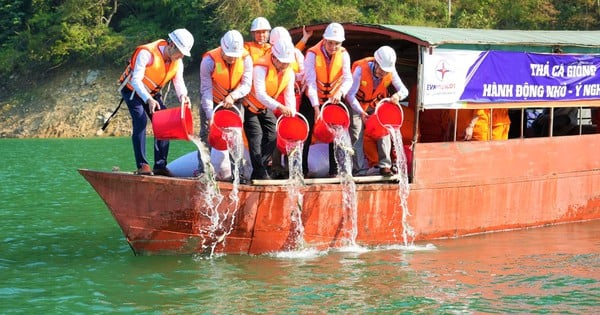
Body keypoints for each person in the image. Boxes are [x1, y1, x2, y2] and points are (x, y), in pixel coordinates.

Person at [119, 28, 194, 176]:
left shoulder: (177, 62)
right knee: (140, 120)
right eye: (180, 52)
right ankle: (142, 165)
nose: (180, 56)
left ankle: (160, 165)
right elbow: (136, 80)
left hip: (152, 93)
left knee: (165, 123)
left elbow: (178, 82)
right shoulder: (147, 53)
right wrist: (148, 99)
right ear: (171, 45)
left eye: (183, 54)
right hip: (133, 90)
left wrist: (183, 97)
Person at [345, 46, 409, 176]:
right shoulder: (360, 70)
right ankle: (359, 170)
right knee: (357, 134)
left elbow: (404, 90)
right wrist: (361, 112)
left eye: (386, 71)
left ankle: (385, 165)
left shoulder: (390, 71)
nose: (383, 73)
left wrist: (398, 96)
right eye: (381, 69)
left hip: (375, 104)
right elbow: (350, 95)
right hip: (357, 104)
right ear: (375, 62)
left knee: (384, 129)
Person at [301, 22, 354, 177]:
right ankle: (302, 171)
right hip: (312, 97)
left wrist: (340, 93)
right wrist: (316, 108)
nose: (333, 46)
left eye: (337, 43)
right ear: (324, 40)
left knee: (337, 131)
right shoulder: (312, 54)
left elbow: (348, 79)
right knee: (307, 131)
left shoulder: (344, 54)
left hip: (334, 98)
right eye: (330, 42)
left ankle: (335, 171)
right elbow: (310, 82)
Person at [198, 30, 253, 176]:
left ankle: (237, 172)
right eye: (230, 56)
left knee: (236, 134)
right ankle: (203, 170)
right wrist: (210, 116)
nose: (233, 59)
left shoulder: (246, 59)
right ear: (222, 48)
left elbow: (246, 85)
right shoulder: (208, 61)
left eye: (235, 57)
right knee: (206, 133)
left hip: (234, 101)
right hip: (213, 99)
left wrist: (233, 96)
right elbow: (206, 90)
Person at [242, 39, 297, 180]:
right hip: (250, 107)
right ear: (274, 57)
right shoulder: (260, 67)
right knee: (256, 137)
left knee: (273, 134)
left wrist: (292, 113)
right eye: (282, 61)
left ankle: (263, 167)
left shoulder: (289, 72)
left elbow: (289, 94)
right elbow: (260, 94)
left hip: (265, 108)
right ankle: (260, 173)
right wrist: (279, 107)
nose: (285, 65)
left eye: (287, 62)